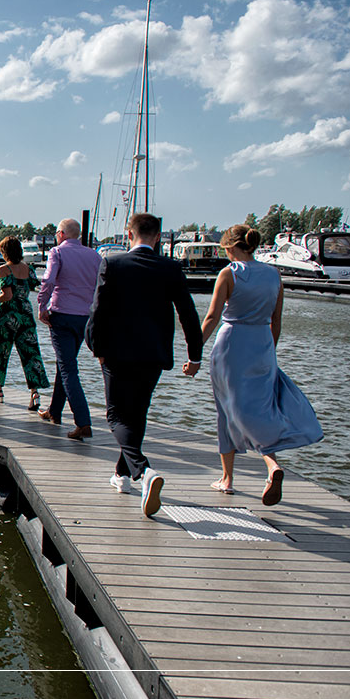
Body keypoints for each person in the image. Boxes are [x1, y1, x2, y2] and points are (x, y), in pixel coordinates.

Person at [194, 224, 323, 505]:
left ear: (228, 248)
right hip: (262, 343)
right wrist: (269, 352)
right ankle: (270, 466)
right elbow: (276, 320)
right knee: (259, 408)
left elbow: (212, 317)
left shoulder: (229, 273)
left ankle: (227, 479)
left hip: (232, 344)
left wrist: (195, 353)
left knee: (228, 410)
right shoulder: (274, 274)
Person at [87, 212, 203, 517]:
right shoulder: (171, 268)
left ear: (129, 235)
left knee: (115, 417)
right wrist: (195, 355)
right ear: (158, 237)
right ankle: (121, 476)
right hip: (153, 354)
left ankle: (142, 471)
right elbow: (188, 314)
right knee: (137, 413)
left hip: (116, 352)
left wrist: (95, 346)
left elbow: (98, 310)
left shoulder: (113, 263)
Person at [37, 217, 102, 440]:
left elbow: (49, 280)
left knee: (68, 369)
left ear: (62, 234)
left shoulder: (57, 252)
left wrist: (42, 304)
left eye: (57, 232)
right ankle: (54, 411)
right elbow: (100, 286)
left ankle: (83, 422)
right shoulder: (94, 255)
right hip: (85, 317)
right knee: (65, 363)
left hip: (62, 315)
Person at [0, 236, 48, 410]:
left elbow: (7, 295)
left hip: (8, 316)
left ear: (5, 252)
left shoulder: (3, 269)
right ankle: (35, 394)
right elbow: (33, 286)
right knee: (30, 354)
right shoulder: (29, 268)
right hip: (26, 315)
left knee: (1, 352)